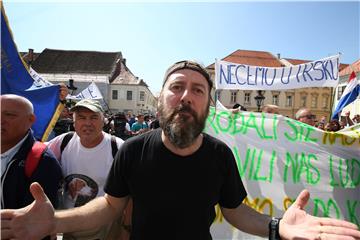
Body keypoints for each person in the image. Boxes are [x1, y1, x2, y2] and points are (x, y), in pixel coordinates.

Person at [1, 61, 360, 240]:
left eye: (198, 90)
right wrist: (54, 221)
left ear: (207, 106)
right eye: (177, 87)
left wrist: (276, 228)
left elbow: (235, 212)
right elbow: (109, 206)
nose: (186, 96)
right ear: (161, 99)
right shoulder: (133, 150)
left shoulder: (220, 156)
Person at [46, 99, 125, 240]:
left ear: (104, 121)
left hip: (104, 227)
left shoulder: (118, 147)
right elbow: (36, 155)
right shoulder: (62, 142)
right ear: (74, 122)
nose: (88, 123)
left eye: (94, 117)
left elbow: (129, 193)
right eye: (82, 117)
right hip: (70, 225)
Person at [1, 94, 62, 209]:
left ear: (31, 120)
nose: (1, 119)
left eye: (9, 115)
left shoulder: (43, 161)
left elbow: (38, 219)